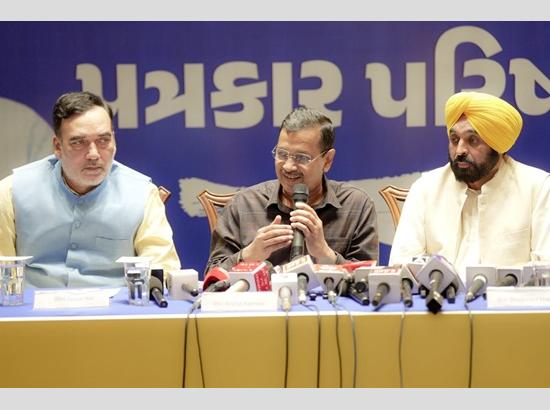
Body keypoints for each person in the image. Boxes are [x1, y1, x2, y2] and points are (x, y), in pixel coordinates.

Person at [0, 91, 180, 287]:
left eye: (103, 140)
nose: (93, 154)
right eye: (79, 142)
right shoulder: (12, 192)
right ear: (58, 147)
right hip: (34, 304)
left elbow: (161, 270)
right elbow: (3, 271)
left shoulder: (142, 194)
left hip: (116, 305)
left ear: (114, 141)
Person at [389, 91, 550, 281]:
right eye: (454, 140)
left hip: (507, 299)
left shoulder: (537, 188)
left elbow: (545, 267)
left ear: (497, 145)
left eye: (473, 140)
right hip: (438, 298)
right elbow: (401, 265)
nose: (460, 150)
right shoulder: (425, 188)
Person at [205, 106, 379, 273]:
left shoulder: (356, 205)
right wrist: (248, 255)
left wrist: (325, 255)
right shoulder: (244, 204)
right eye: (282, 154)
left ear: (327, 160)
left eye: (301, 157)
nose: (288, 166)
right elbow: (212, 277)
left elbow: (368, 281)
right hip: (263, 295)